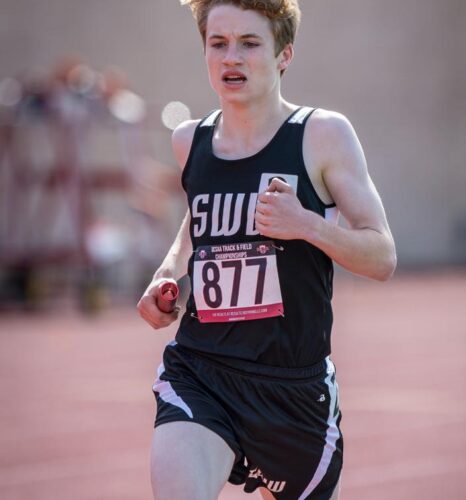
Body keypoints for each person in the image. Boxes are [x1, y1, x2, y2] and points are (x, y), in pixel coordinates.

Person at [137, 1, 397, 498]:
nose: (231, 58)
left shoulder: (322, 135)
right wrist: (168, 275)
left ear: (284, 54)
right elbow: (197, 224)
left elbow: (382, 256)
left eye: (250, 44)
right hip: (202, 370)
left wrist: (306, 225)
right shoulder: (190, 141)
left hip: (294, 390)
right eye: (219, 44)